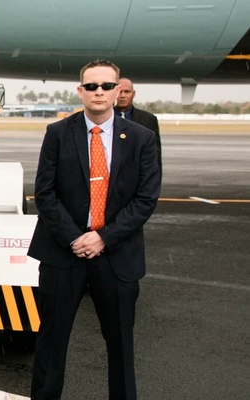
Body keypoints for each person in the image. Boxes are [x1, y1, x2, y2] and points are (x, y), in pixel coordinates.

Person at [28, 60, 160, 400]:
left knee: (121, 345)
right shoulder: (57, 133)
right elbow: (44, 193)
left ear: (118, 91)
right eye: (91, 86)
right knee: (51, 343)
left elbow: (146, 199)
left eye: (106, 86)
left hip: (116, 256)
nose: (98, 92)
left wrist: (103, 237)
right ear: (80, 91)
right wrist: (76, 237)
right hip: (63, 253)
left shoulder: (143, 138)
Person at [115, 77, 163, 180]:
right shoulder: (101, 118)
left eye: (127, 92)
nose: (122, 95)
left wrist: (155, 184)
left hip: (137, 181)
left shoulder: (149, 120)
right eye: (119, 91)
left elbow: (155, 158)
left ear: (133, 94)